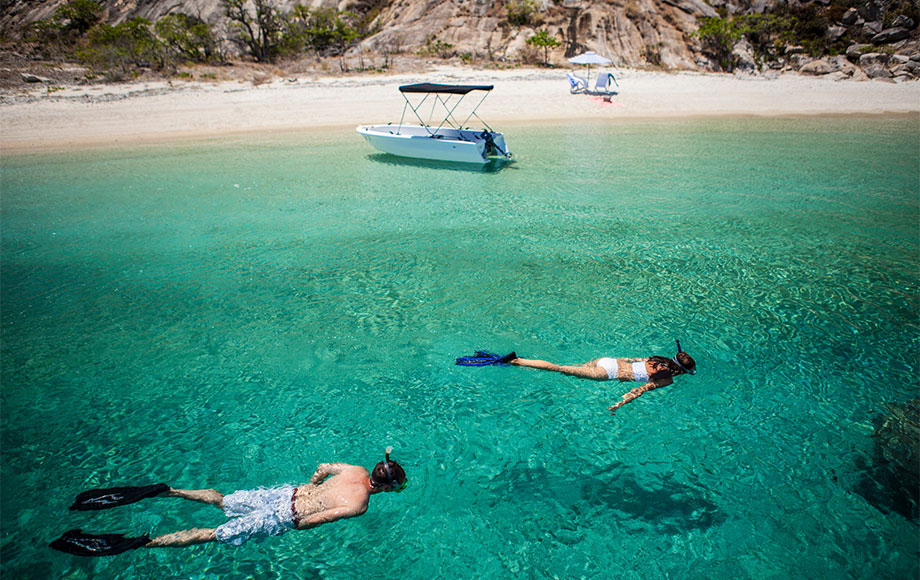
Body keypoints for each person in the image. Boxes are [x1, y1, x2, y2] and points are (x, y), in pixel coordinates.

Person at [50, 448, 408, 557]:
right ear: (387, 487)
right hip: (287, 512)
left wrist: (308, 485)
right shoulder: (361, 504)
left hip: (286, 493)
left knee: (221, 502)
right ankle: (142, 542)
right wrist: (290, 525)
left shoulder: (355, 469)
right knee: (214, 534)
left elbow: (322, 467)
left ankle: (167, 491)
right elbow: (319, 520)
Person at [509, 340, 697, 413]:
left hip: (609, 361)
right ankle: (516, 361)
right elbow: (639, 390)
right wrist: (619, 404)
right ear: (682, 371)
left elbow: (632, 359)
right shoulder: (666, 379)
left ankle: (518, 363)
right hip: (608, 373)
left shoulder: (658, 359)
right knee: (557, 368)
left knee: (570, 369)